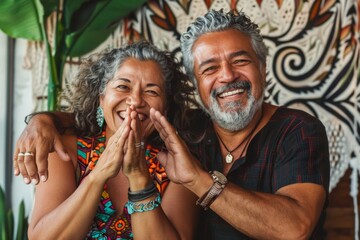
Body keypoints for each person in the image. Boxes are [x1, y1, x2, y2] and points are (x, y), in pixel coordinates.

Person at [14, 9, 330, 239]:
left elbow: (294, 228)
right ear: (197, 83)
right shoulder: (188, 129)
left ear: (263, 69)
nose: (227, 75)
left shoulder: (295, 130)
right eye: (209, 68)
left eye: (241, 61)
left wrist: (188, 178)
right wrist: (42, 120)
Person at [21, 41, 199, 239]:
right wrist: (99, 174)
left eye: (151, 91)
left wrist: (139, 178)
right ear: (101, 99)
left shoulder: (177, 164)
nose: (136, 101)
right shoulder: (66, 152)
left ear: (164, 109)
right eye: (123, 86)